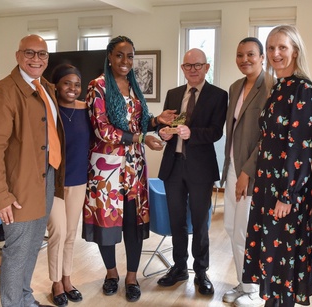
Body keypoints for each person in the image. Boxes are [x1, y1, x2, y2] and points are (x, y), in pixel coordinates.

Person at [82, 35, 176, 303]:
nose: (125, 61)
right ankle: (111, 274)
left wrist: (157, 120)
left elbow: (139, 122)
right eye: (120, 55)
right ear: (109, 56)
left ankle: (132, 277)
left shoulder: (134, 86)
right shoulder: (97, 87)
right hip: (105, 170)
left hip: (134, 167)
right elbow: (102, 129)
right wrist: (139, 138)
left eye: (130, 56)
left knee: (134, 224)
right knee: (107, 224)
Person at [0, 34, 65, 307]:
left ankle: (25, 298)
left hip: (46, 178)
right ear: (18, 56)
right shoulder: (3, 92)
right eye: (29, 53)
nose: (35, 59)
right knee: (17, 251)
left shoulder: (46, 88)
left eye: (42, 54)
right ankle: (13, 303)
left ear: (47, 59)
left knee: (31, 248)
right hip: (20, 187)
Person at [240, 25, 312, 307]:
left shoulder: (303, 89)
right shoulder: (279, 87)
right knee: (270, 261)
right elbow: (268, 140)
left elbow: (300, 148)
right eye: (271, 47)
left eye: (282, 47)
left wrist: (287, 194)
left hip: (286, 190)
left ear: (295, 50)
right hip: (266, 185)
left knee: (283, 264)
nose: (275, 53)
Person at [157, 48, 228, 296]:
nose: (193, 70)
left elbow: (216, 131)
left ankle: (201, 271)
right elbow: (168, 126)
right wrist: (164, 133)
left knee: (200, 222)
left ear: (207, 67)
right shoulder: (173, 94)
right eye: (188, 66)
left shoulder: (218, 95)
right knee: (176, 221)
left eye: (198, 65)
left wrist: (192, 133)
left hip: (201, 169)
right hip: (173, 165)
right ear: (182, 69)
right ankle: (179, 267)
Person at [221, 37, 268, 305]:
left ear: (262, 57)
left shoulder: (271, 87)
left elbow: (268, 138)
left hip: (252, 173)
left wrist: (246, 172)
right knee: (230, 227)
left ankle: (253, 290)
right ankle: (243, 282)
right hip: (232, 167)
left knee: (246, 231)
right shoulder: (235, 86)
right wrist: (232, 170)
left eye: (251, 54)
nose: (244, 60)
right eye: (240, 55)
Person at [47, 64, 92, 307]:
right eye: (67, 83)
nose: (72, 88)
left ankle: (67, 279)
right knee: (58, 233)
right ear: (56, 85)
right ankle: (55, 282)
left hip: (79, 180)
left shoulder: (86, 110)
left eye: (76, 84)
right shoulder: (49, 111)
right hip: (54, 183)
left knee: (71, 234)